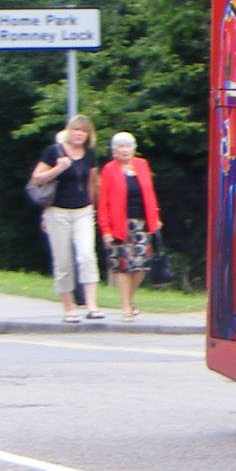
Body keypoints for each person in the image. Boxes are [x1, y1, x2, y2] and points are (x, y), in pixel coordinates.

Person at [30, 114, 103, 324]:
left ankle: (92, 305)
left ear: (88, 135)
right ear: (69, 132)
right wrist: (58, 168)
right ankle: (68, 308)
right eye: (76, 130)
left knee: (87, 255)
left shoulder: (89, 155)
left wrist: (94, 207)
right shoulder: (53, 152)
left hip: (83, 211)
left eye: (84, 131)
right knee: (63, 262)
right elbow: (36, 179)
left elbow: (92, 182)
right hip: (57, 211)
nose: (79, 134)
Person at [96, 131, 164, 322]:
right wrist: (106, 229)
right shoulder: (109, 169)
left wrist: (156, 217)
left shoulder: (142, 165)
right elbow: (104, 203)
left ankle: (129, 299)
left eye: (127, 146)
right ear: (114, 151)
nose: (124, 150)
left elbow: (150, 193)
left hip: (142, 223)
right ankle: (126, 306)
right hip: (119, 224)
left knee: (141, 266)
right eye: (120, 147)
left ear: (133, 149)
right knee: (123, 266)